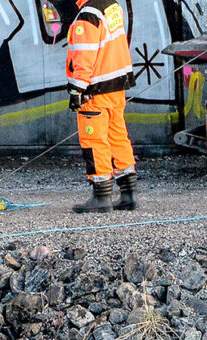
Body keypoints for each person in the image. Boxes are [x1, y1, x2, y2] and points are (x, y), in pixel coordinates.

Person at [65, 0, 137, 213]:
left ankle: (102, 196)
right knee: (117, 137)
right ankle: (128, 194)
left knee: (94, 140)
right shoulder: (111, 5)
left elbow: (84, 55)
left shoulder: (88, 15)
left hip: (94, 89)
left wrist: (77, 90)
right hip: (116, 85)